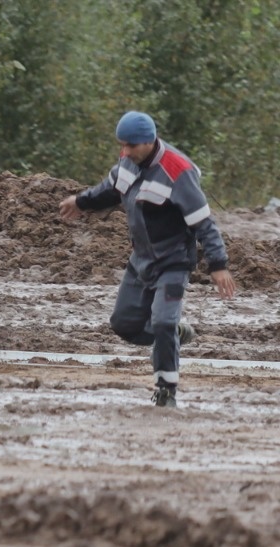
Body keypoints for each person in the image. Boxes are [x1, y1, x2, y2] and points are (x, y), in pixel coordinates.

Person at [59, 111, 236, 408]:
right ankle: (174, 333)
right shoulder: (129, 160)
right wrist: (81, 201)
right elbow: (111, 189)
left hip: (174, 263)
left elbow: (204, 224)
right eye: (122, 146)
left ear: (149, 141)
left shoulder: (178, 172)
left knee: (163, 321)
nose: (124, 152)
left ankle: (166, 390)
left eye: (130, 146)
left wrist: (218, 266)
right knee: (123, 325)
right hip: (140, 260)